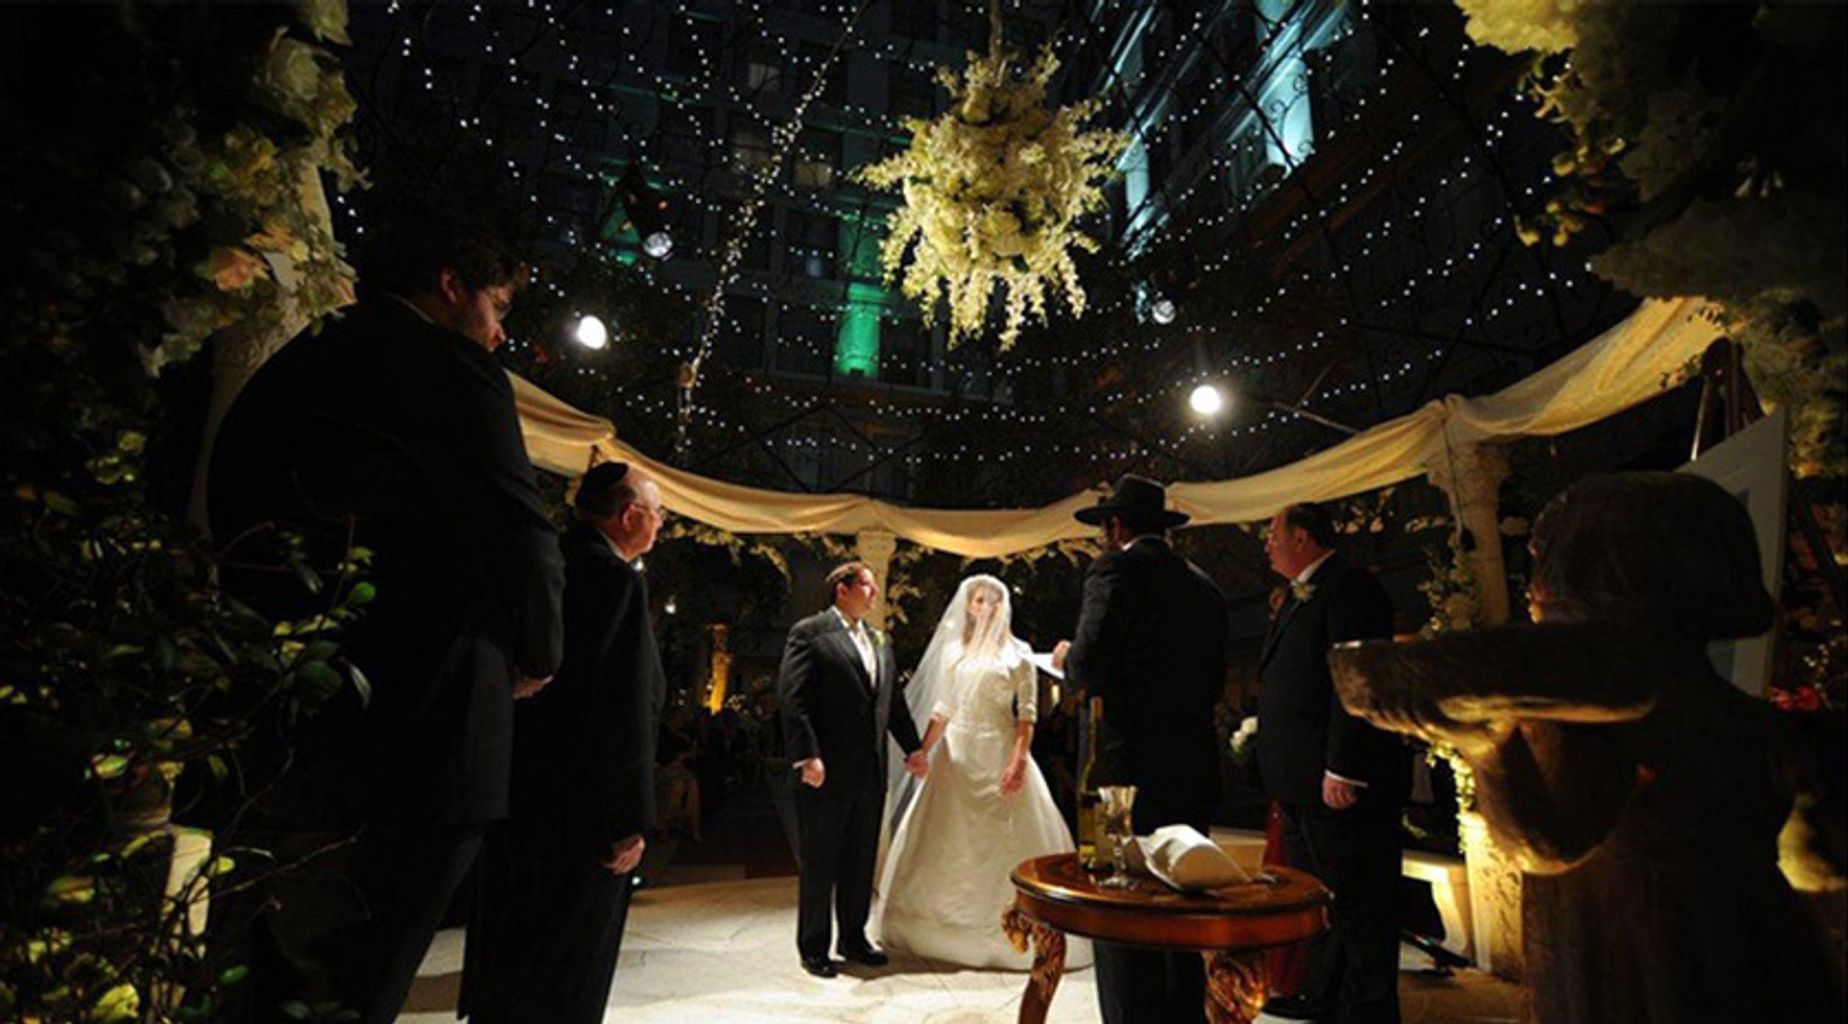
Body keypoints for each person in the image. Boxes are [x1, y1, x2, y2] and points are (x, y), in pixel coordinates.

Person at [207, 207, 564, 1023]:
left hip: (287, 707)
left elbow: (231, 504)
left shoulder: (303, 356)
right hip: (424, 717)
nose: (500, 334)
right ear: (451, 286)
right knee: (362, 977)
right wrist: (538, 652)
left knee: (272, 969)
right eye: (497, 307)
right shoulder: (447, 364)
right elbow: (520, 531)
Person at [1331, 472, 1842, 1023]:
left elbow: (1541, 845)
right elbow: (1815, 865)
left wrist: (1486, 744)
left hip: (1635, 968)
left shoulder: (1597, 717)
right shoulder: (1755, 722)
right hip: (1766, 956)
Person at [463, 461, 668, 1024]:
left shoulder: (544, 563)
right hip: (584, 813)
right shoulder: (615, 580)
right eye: (657, 513)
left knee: (513, 954)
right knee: (570, 969)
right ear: (630, 516)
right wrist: (629, 819)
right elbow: (622, 708)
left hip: (515, 794)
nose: (661, 523)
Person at [1052, 474, 1229, 1024]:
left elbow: (1087, 664)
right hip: (1192, 764)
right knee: (1184, 899)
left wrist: (1064, 658)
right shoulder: (1205, 586)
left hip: (1119, 771)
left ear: (1116, 526)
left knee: (1118, 904)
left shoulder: (1114, 570)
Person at [874, 576, 1092, 970]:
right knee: (946, 839)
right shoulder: (954, 651)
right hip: (955, 756)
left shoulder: (1018, 653)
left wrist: (1018, 760)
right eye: (979, 600)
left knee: (1008, 840)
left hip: (999, 750)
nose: (987, 607)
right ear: (968, 606)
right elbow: (943, 708)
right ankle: (939, 929)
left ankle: (1019, 926)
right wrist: (922, 750)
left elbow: (1026, 714)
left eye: (994, 601)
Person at [1256, 502, 1406, 1024]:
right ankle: (1324, 996)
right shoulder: (1300, 595)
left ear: (1302, 537)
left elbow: (1357, 681)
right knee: (1319, 899)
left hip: (1336, 781)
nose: (1267, 544)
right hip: (1300, 782)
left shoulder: (1350, 588)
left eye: (1273, 534)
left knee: (1359, 900)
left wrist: (1344, 767)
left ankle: (1368, 1010)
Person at [778, 562, 928, 978]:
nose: (875, 593)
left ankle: (853, 937)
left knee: (860, 860)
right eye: (867, 585)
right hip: (824, 769)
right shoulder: (810, 633)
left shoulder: (879, 640)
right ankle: (813, 947)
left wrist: (913, 748)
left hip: (870, 771)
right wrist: (807, 755)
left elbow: (892, 703)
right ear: (842, 589)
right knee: (820, 859)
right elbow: (793, 699)